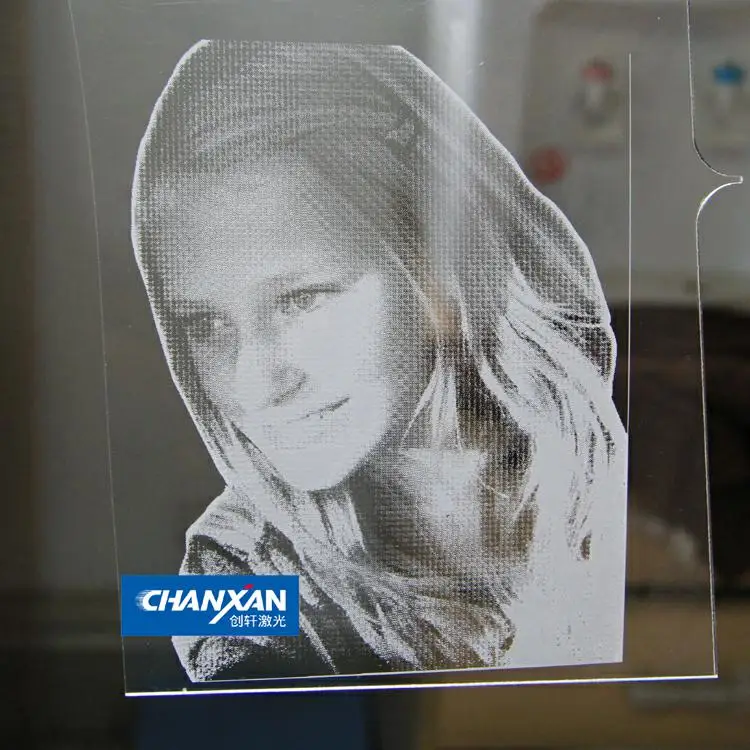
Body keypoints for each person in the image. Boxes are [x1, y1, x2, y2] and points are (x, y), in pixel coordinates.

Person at [130, 40, 627, 682]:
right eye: (204, 325)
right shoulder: (230, 573)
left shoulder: (623, 476)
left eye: (302, 299)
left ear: (438, 273)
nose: (253, 385)